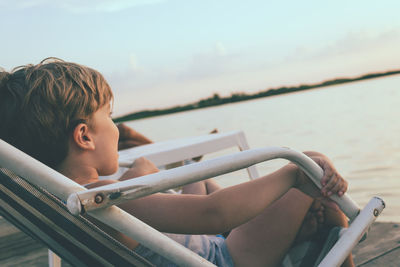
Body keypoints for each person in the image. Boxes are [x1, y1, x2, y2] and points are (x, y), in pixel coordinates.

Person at [0, 58, 353, 267]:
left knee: (191, 174)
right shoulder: (105, 198)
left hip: (194, 243)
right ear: (85, 137)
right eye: (108, 115)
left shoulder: (65, 201)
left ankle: (289, 224)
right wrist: (292, 171)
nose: (116, 126)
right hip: (227, 256)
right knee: (314, 176)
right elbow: (214, 215)